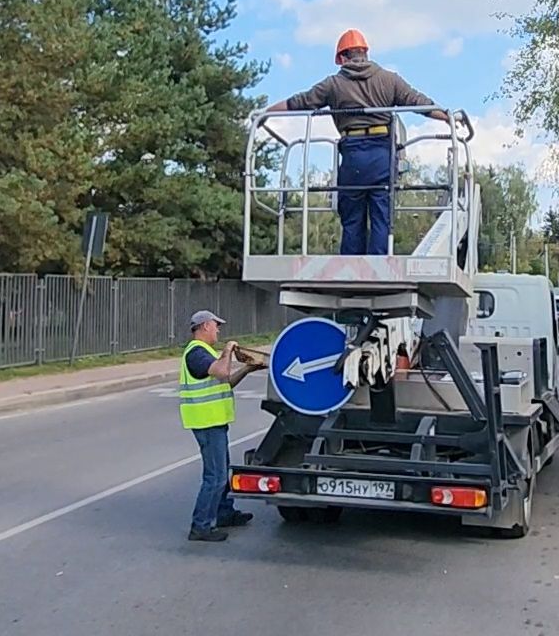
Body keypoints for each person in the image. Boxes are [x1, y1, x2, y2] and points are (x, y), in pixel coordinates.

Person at [266, 29, 453, 256]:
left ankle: (351, 266)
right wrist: (446, 116)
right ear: (365, 53)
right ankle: (379, 266)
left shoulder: (333, 84)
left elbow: (300, 102)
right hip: (382, 154)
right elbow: (418, 102)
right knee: (381, 216)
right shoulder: (389, 79)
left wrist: (266, 112)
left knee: (352, 216)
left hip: (353, 155)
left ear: (343, 58)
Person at [181, 309, 261, 543]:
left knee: (221, 471)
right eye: (217, 326)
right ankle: (201, 526)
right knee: (214, 477)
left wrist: (248, 368)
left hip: (215, 421)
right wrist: (228, 351)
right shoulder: (196, 353)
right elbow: (221, 370)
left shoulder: (205, 353)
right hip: (206, 423)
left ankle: (224, 513)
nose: (219, 330)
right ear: (205, 326)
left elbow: (225, 382)